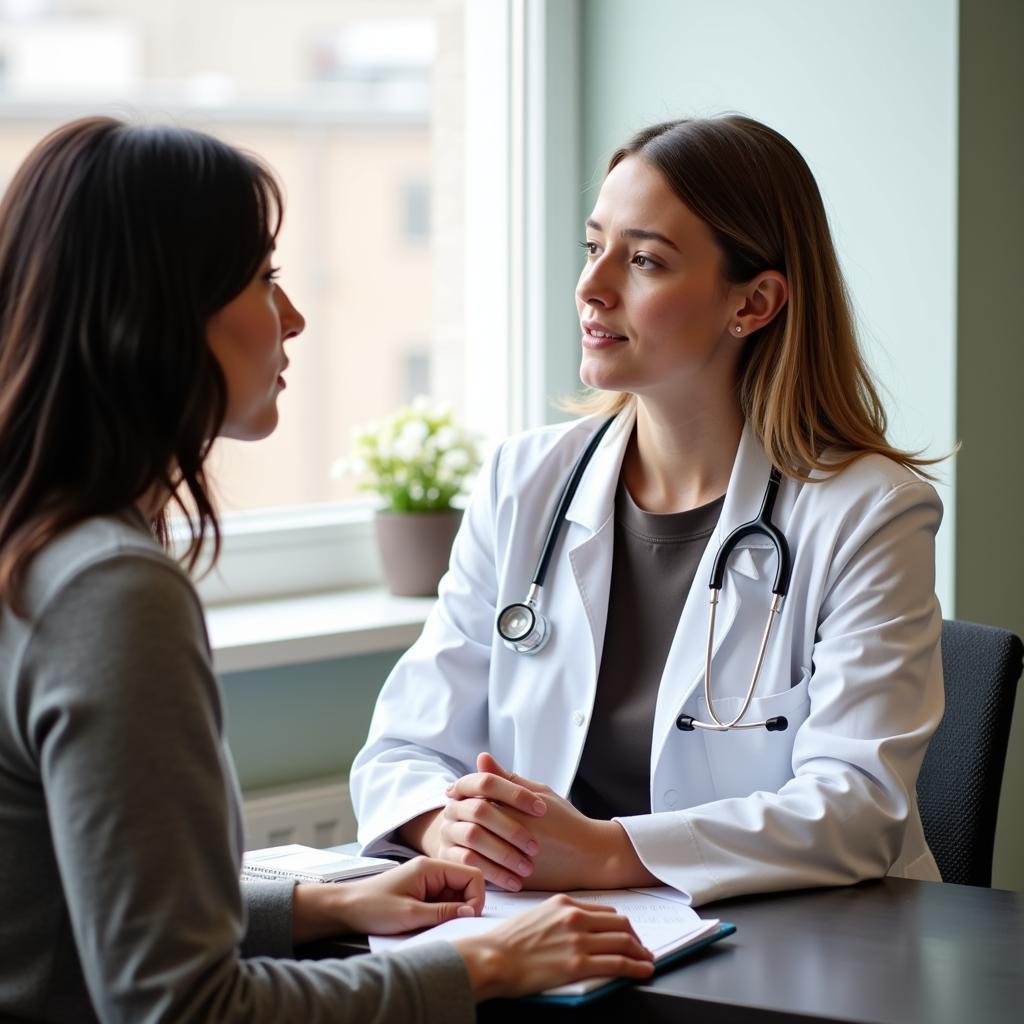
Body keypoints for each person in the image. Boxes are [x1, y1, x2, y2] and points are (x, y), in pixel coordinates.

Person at [0, 117, 654, 1023]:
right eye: (264, 279)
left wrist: (320, 902)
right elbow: (183, 1007)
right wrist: (483, 966)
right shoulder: (107, 592)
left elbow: (85, 907)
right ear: (153, 316)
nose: (294, 317)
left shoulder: (33, 549)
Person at [351, 115, 946, 904]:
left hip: (805, 946)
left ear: (756, 302)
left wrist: (605, 853)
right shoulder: (524, 481)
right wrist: (443, 824)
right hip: (555, 931)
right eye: (593, 247)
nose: (592, 288)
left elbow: (857, 807)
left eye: (643, 260)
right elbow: (404, 747)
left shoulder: (868, 513)